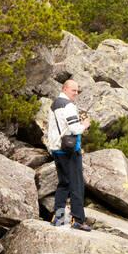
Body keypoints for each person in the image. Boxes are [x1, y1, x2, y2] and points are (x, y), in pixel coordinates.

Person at [46, 79, 91, 231]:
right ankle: (78, 220)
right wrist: (84, 125)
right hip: (70, 150)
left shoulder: (54, 104)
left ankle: (58, 218)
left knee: (63, 183)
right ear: (65, 89)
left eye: (77, 91)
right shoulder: (68, 105)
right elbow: (74, 128)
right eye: (74, 90)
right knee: (77, 184)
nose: (76, 94)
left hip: (56, 149)